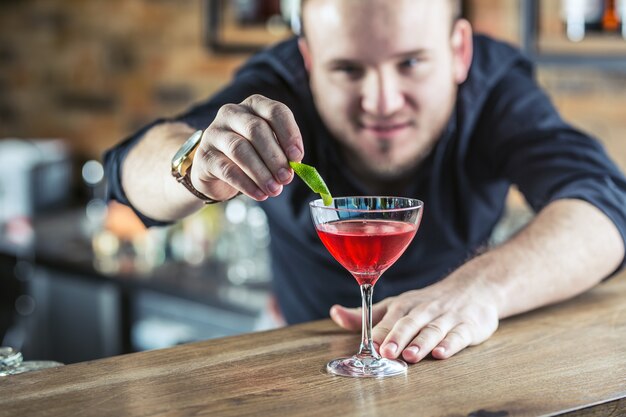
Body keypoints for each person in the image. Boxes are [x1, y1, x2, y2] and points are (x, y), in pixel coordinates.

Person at [104, 0, 626, 364]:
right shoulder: (279, 86)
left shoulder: (496, 89)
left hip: (460, 349)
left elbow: (605, 204)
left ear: (459, 52)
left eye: (412, 63)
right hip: (298, 348)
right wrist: (195, 163)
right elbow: (127, 170)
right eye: (348, 70)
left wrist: (479, 291)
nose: (381, 101)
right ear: (307, 60)